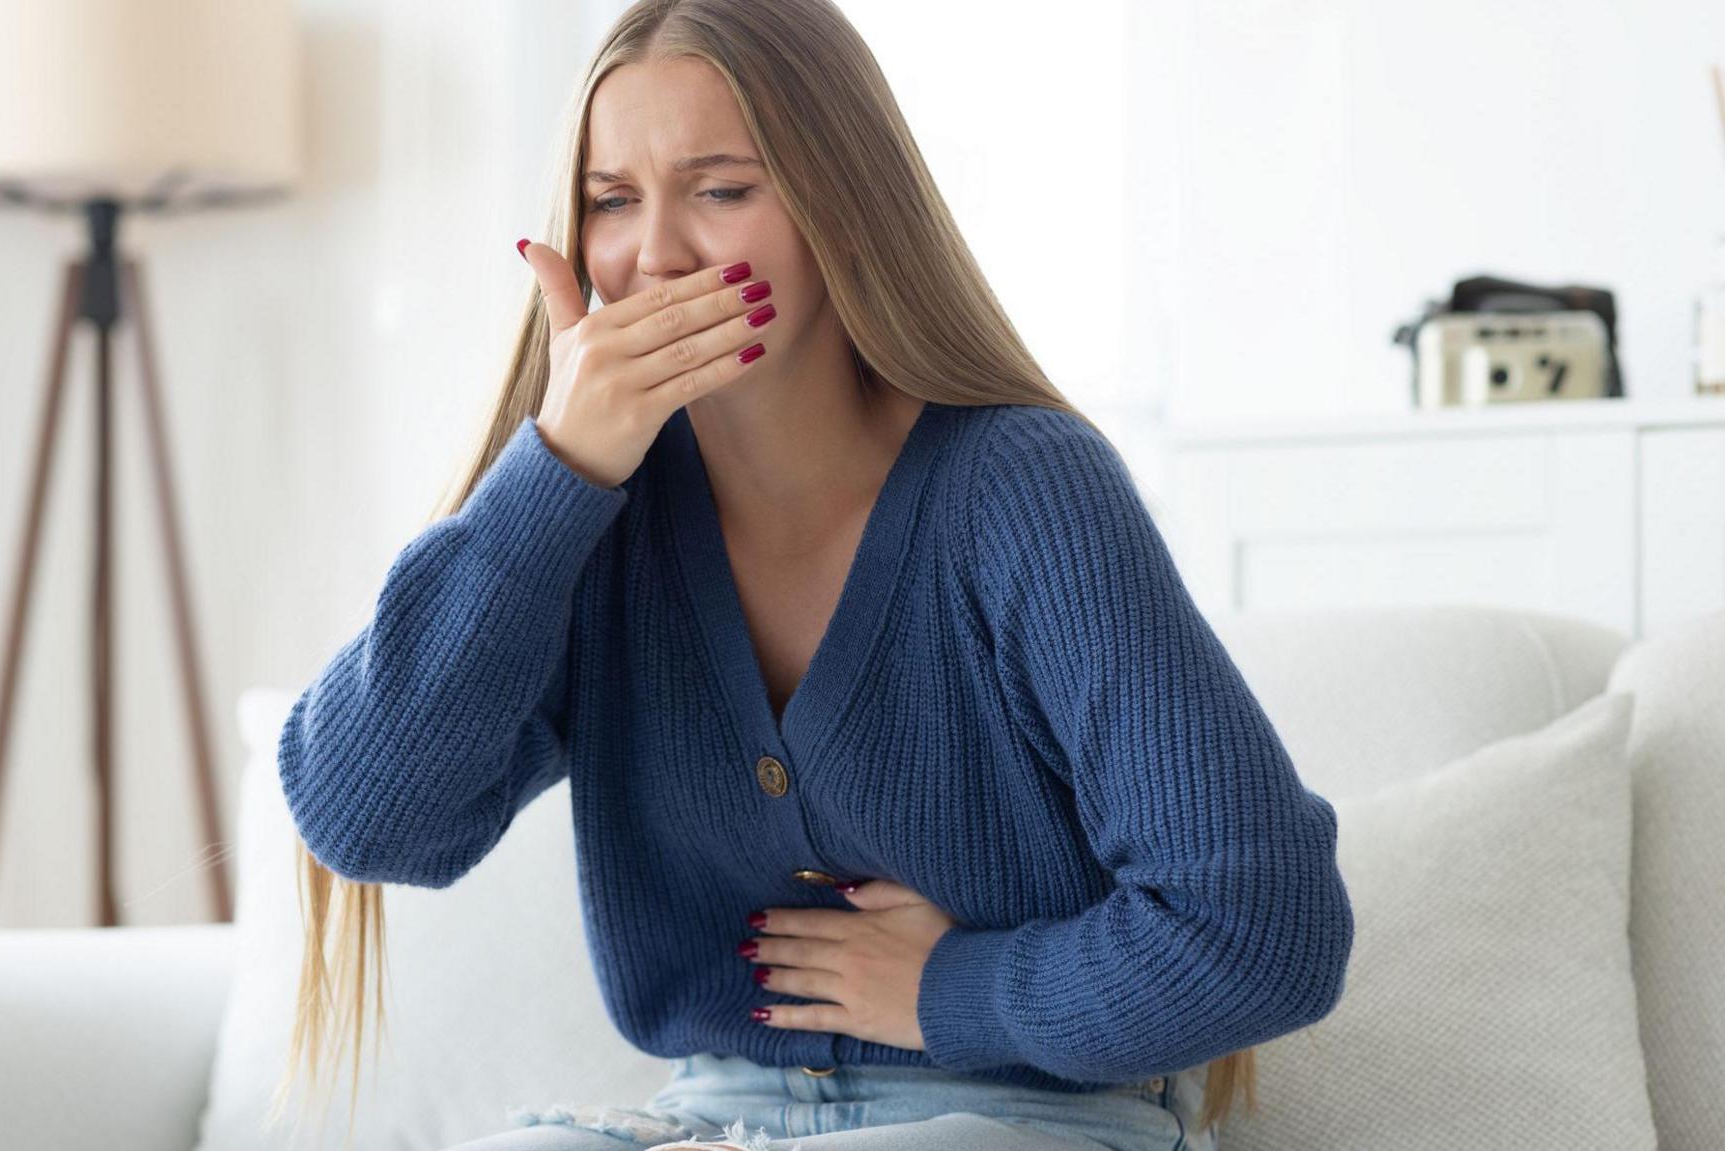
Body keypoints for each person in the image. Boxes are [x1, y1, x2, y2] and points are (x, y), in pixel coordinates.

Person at [272, 1, 1357, 1148]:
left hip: (1024, 1113)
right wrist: (554, 473)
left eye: (720, 190)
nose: (654, 255)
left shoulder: (1023, 489)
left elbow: (1260, 930)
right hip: (713, 1116)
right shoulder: (590, 517)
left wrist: (953, 990)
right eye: (610, 201)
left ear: (841, 206)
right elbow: (364, 818)